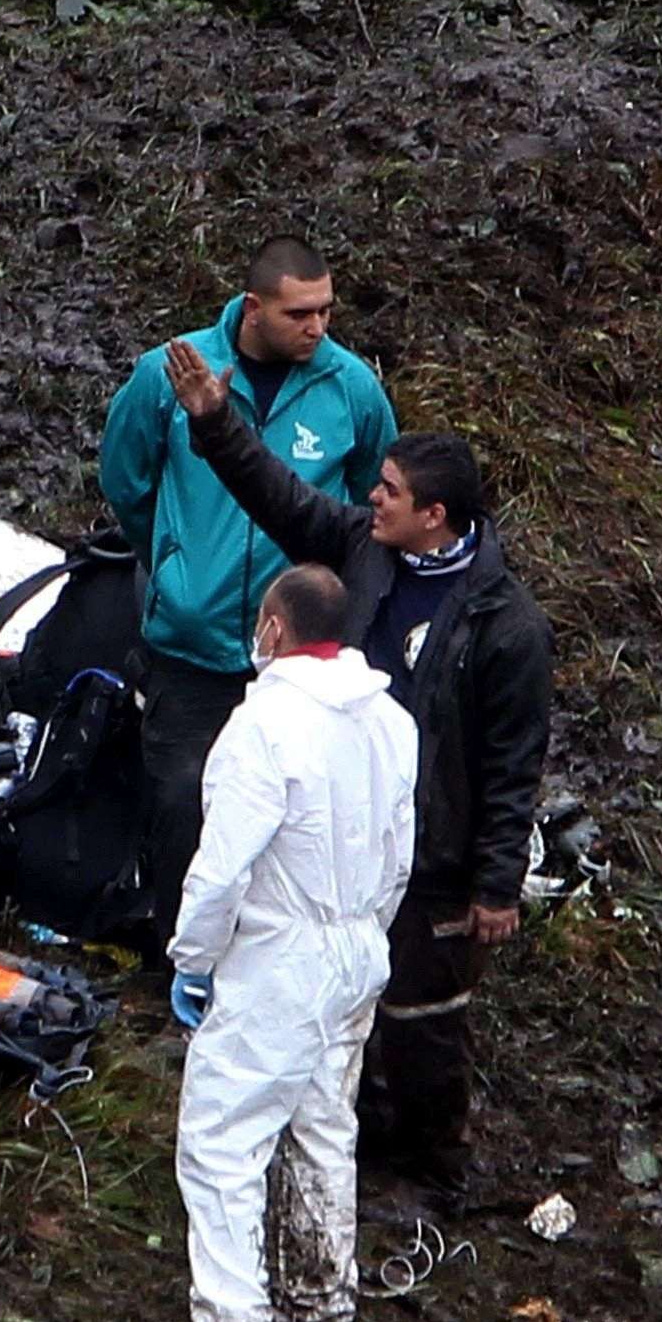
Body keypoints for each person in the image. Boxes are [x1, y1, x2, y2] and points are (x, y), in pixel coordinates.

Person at [171, 354, 552, 1204]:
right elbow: (279, 496)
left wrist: (496, 882)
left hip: (439, 853)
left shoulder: (508, 626)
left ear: (435, 516)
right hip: (348, 833)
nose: (370, 498)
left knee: (423, 1017)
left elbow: (512, 759)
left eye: (388, 490)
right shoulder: (364, 551)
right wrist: (213, 420)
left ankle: (437, 1162)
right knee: (350, 1004)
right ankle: (358, 1137)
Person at [155, 563, 418, 1322]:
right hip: (356, 950)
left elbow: (224, 864)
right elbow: (398, 851)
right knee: (322, 1127)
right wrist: (368, 934)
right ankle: (321, 1304)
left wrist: (193, 958)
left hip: (284, 956)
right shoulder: (388, 719)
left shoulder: (263, 726)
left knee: (223, 1138)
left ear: (273, 629)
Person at [99, 242, 394, 930]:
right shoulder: (167, 377)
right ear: (255, 309)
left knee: (293, 815)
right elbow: (127, 482)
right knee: (181, 802)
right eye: (300, 313)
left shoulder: (351, 389)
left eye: (326, 311)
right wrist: (176, 566)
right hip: (191, 645)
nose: (318, 328)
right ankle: (176, 956)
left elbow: (370, 516)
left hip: (299, 663)